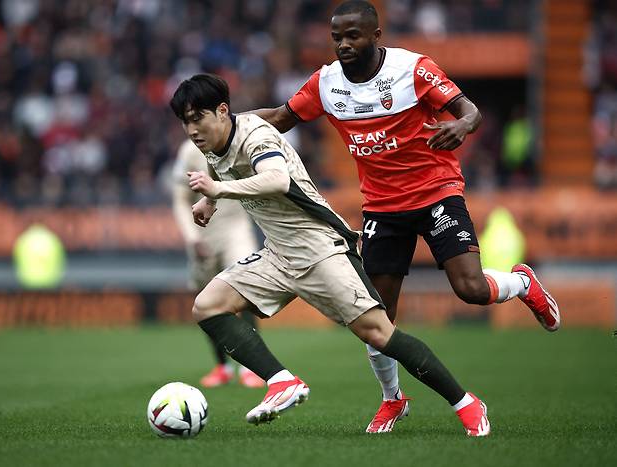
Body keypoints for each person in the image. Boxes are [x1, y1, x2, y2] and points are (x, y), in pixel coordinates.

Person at [249, 0, 561, 433]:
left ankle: (522, 283)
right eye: (337, 36)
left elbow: (471, 111)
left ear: (376, 36)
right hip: (381, 207)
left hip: (436, 193)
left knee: (470, 288)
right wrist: (230, 128)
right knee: (375, 314)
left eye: (353, 35)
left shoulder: (413, 69)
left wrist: (461, 127)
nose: (344, 44)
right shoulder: (325, 83)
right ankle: (392, 400)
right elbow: (281, 119)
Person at [169, 73, 490, 436]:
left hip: (320, 249)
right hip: (278, 254)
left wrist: (219, 190)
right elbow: (219, 163)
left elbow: (277, 179)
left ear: (223, 111)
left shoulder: (256, 134)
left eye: (198, 118)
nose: (191, 129)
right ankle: (282, 382)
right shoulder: (212, 144)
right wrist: (209, 201)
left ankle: (465, 403)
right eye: (185, 121)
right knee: (208, 304)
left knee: (379, 334)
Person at [172, 139, 265, 388]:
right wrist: (191, 238)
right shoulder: (188, 151)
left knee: (244, 288)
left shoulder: (239, 142)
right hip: (202, 233)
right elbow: (180, 199)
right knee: (206, 302)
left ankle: (251, 367)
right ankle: (222, 366)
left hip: (236, 227)